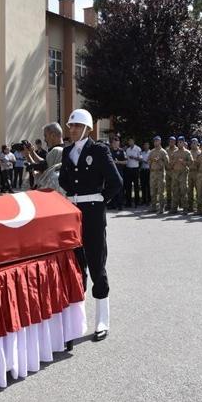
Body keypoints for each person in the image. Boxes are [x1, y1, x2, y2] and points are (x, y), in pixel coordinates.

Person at [58, 109, 122, 346]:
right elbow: (65, 179)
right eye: (70, 125)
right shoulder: (67, 152)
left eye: (76, 126)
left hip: (93, 213)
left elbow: (116, 182)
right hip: (73, 213)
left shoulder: (99, 150)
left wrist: (98, 200)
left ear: (87, 129)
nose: (72, 129)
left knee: (96, 264)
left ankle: (102, 321)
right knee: (76, 267)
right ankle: (76, 324)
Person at [30, 122, 66, 193]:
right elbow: (44, 164)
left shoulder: (56, 151)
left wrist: (29, 157)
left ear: (52, 135)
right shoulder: (66, 150)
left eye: (45, 136)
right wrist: (31, 152)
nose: (44, 139)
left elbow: (45, 173)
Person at [169, 137, 193, 213]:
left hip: (183, 173)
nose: (179, 143)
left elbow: (191, 162)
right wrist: (173, 162)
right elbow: (170, 163)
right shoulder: (174, 153)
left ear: (183, 143)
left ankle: (185, 208)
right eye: (178, 142)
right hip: (175, 173)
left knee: (183, 191)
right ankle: (174, 208)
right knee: (175, 191)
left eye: (181, 142)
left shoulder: (187, 152)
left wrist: (184, 162)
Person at [147, 136, 169, 214]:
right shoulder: (152, 151)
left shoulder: (163, 152)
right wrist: (152, 161)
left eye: (157, 141)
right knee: (152, 190)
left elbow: (167, 163)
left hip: (160, 173)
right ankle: (153, 207)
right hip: (153, 173)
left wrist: (159, 161)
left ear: (160, 142)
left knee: (160, 191)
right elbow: (148, 160)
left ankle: (161, 208)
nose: (155, 142)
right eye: (154, 141)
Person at [123, 137, 142, 208]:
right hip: (128, 169)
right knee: (128, 186)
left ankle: (137, 202)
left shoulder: (138, 149)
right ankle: (128, 202)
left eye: (131, 141)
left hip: (135, 169)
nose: (130, 142)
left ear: (134, 141)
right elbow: (125, 158)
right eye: (129, 141)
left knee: (136, 186)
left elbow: (140, 159)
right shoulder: (127, 149)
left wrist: (134, 157)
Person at [110, 137, 127, 211]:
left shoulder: (122, 151)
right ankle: (113, 204)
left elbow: (126, 162)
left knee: (120, 189)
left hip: (119, 172)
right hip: (111, 173)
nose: (115, 144)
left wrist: (118, 162)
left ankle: (120, 205)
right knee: (111, 188)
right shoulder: (109, 151)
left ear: (119, 143)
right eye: (114, 143)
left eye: (116, 143)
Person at [165, 136, 177, 210]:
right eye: (170, 141)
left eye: (172, 141)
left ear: (175, 142)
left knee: (174, 188)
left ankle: (175, 204)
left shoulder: (177, 150)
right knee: (168, 188)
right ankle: (168, 204)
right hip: (167, 171)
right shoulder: (166, 150)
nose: (171, 143)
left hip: (174, 172)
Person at [139, 141, 151, 206]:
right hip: (142, 170)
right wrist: (140, 161)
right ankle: (143, 200)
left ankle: (149, 200)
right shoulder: (142, 153)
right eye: (145, 145)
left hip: (148, 170)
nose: (146, 146)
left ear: (148, 146)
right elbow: (140, 161)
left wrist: (147, 161)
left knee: (148, 186)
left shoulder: (151, 152)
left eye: (147, 145)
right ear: (143, 146)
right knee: (143, 186)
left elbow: (151, 161)